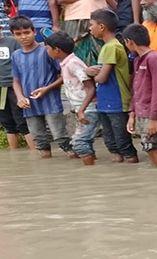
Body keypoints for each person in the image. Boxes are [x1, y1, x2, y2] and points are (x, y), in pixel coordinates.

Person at [9, 16, 72, 158]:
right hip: (30, 105)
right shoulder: (16, 55)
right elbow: (16, 80)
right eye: (18, 34)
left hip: (51, 102)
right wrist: (19, 97)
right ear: (13, 35)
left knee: (61, 137)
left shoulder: (47, 51)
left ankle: (77, 157)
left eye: (27, 32)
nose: (23, 37)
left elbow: (63, 75)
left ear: (34, 32)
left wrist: (47, 89)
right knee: (40, 141)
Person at [85, 9, 137, 162]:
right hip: (106, 102)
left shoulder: (112, 47)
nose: (89, 28)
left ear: (101, 26)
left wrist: (88, 73)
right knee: (112, 143)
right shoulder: (107, 47)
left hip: (117, 102)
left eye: (91, 25)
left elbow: (101, 78)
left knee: (122, 144)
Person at [44, 32, 97, 165]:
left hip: (88, 109)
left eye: (47, 48)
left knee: (79, 143)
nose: (46, 51)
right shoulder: (66, 63)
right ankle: (92, 169)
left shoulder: (73, 63)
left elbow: (91, 88)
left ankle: (90, 169)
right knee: (85, 141)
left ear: (57, 50)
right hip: (83, 108)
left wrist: (81, 111)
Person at [122, 25, 157, 168]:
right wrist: (132, 114)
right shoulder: (138, 60)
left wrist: (153, 118)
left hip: (152, 112)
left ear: (129, 41)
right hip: (142, 111)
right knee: (148, 145)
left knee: (151, 146)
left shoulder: (153, 59)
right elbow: (137, 89)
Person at [0, 26, 32, 149]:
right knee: (6, 122)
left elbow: (22, 59)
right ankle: (15, 153)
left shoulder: (12, 42)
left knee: (22, 120)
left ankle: (35, 151)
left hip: (14, 86)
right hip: (0, 88)